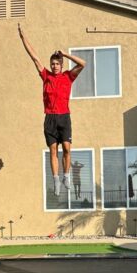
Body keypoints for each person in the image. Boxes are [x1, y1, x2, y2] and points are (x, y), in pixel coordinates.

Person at [18, 24, 86, 196]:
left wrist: (65, 54)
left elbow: (83, 63)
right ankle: (56, 179)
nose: (54, 66)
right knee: (53, 150)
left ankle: (66, 176)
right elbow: (34, 57)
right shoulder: (46, 76)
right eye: (53, 63)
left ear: (62, 65)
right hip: (50, 118)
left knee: (67, 148)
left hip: (64, 117)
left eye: (57, 63)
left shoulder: (68, 77)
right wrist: (23, 37)